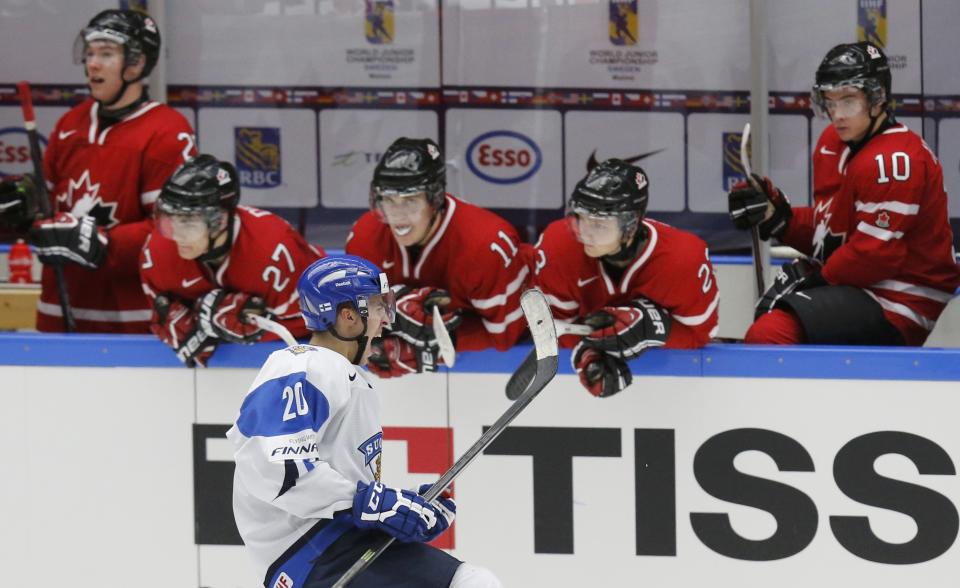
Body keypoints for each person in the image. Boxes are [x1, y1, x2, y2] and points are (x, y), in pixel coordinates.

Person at [228, 255, 502, 587]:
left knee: (473, 581)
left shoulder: (347, 376)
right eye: (376, 308)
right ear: (347, 318)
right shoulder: (303, 367)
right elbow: (276, 467)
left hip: (343, 539)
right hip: (309, 552)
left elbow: (344, 487)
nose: (385, 320)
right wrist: (371, 502)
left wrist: (401, 507)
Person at [728, 41, 960, 346]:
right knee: (769, 327)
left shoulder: (895, 159)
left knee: (771, 334)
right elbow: (833, 231)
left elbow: (874, 255)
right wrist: (778, 217)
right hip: (860, 285)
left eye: (848, 101)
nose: (837, 114)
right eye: (830, 101)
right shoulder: (833, 144)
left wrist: (817, 281)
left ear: (877, 99)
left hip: (900, 300)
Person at [0, 8, 197, 332]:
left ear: (136, 63)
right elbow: (49, 210)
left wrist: (105, 242)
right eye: (90, 53)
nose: (92, 63)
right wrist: (24, 209)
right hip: (58, 313)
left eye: (106, 54)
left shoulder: (167, 132)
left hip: (132, 320)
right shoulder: (70, 124)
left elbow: (178, 230)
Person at [533, 158, 719, 397]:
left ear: (630, 226)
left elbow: (700, 335)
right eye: (580, 218)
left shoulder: (683, 260)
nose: (585, 232)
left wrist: (653, 327)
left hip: (674, 396)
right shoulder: (558, 245)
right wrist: (588, 354)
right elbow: (556, 326)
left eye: (599, 224)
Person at [345, 137, 531, 378]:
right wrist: (379, 340)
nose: (398, 215)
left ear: (434, 200)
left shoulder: (486, 246)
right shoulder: (365, 238)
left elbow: (506, 334)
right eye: (389, 200)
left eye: (410, 201)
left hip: (487, 378)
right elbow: (354, 319)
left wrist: (424, 350)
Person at [140, 154, 324, 367]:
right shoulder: (157, 252)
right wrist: (187, 329)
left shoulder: (274, 250)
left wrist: (258, 327)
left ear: (220, 220)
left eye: (188, 223)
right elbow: (164, 317)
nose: (176, 235)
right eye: (169, 220)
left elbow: (323, 319)